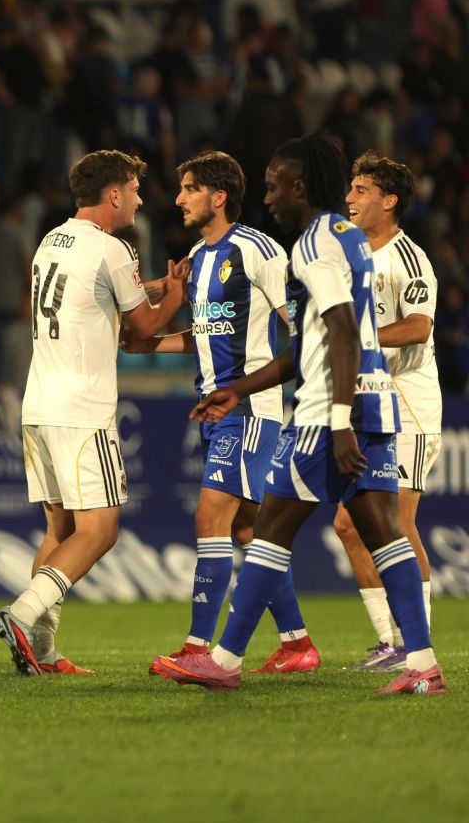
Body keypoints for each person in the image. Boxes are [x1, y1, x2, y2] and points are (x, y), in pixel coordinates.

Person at [154, 135, 442, 696]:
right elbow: (308, 341)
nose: (268, 196)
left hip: (329, 410)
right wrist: (240, 388)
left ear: (301, 186)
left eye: (274, 184)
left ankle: (226, 660)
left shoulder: (314, 243)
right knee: (384, 531)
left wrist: (336, 420)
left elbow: (338, 328)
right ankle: (422, 662)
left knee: (268, 528)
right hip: (373, 398)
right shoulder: (347, 238)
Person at [0, 151, 188, 676]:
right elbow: (139, 332)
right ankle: (21, 613)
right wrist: (177, 297)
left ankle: (43, 652)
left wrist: (153, 291)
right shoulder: (112, 248)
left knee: (59, 533)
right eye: (135, 189)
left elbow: (90, 300)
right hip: (82, 408)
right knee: (100, 531)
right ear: (115, 194)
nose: (141, 200)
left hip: (40, 403)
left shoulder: (51, 241)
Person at [125, 153, 297, 665]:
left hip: (248, 409)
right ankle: (298, 643)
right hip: (213, 408)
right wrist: (146, 345)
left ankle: (200, 648)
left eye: (189, 188)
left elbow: (301, 326)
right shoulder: (199, 259)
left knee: (210, 519)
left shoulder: (259, 250)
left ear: (218, 197)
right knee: (247, 530)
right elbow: (201, 336)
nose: (178, 198)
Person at [331, 153, 443, 672]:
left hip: (409, 401)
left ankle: (416, 646)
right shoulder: (349, 254)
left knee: (397, 521)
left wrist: (360, 339)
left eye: (360, 189)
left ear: (388, 200)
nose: (350, 197)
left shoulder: (410, 258)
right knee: (349, 524)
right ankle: (389, 640)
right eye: (350, 188)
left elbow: (419, 326)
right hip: (369, 401)